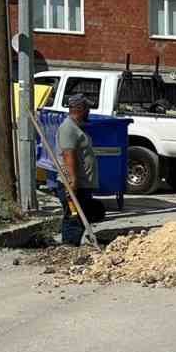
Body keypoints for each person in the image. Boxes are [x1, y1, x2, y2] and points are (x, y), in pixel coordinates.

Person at [55, 93, 104, 246]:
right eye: (87, 108)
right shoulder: (68, 128)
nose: (89, 111)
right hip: (74, 183)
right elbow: (68, 155)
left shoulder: (76, 127)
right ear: (80, 109)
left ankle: (74, 242)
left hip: (82, 184)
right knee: (74, 216)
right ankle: (69, 245)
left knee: (86, 212)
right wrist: (73, 182)